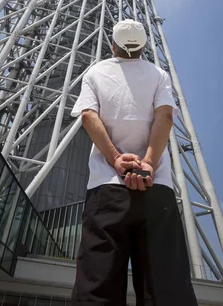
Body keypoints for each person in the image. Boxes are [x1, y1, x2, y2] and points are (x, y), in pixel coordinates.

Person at [70, 19, 198, 306]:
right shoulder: (158, 74)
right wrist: (149, 163)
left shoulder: (95, 73)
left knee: (97, 284)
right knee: (166, 287)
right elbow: (165, 117)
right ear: (142, 48)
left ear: (112, 45)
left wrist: (115, 158)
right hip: (157, 191)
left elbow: (88, 116)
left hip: (107, 189)